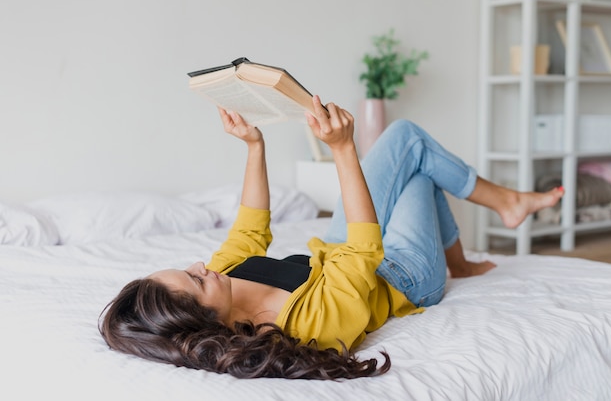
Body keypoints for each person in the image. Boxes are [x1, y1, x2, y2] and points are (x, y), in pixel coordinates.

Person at [99, 95, 564, 380]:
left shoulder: (223, 279)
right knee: (418, 172)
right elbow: (365, 251)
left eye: (188, 269)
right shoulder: (304, 330)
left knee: (406, 139)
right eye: (195, 281)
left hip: (338, 248)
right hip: (402, 273)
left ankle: (491, 222)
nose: (201, 267)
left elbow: (250, 226)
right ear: (207, 323)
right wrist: (343, 149)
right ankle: (492, 220)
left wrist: (254, 146)